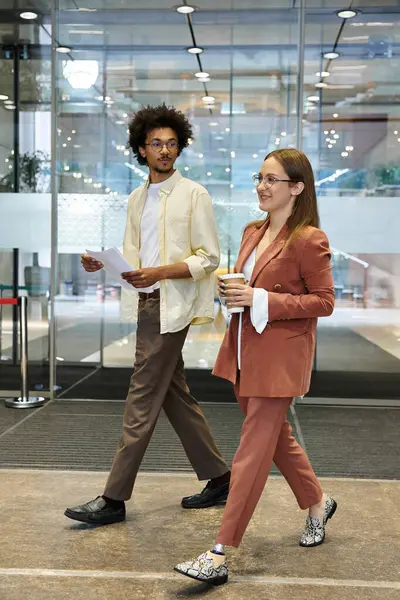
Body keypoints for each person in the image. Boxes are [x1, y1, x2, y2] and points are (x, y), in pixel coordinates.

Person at [174, 148, 336, 586]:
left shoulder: (309, 239)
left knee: (249, 454)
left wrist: (261, 299)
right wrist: (237, 293)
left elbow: (324, 302)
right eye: (259, 178)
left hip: (280, 360)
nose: (262, 186)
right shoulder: (251, 231)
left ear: (297, 188)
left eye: (273, 179)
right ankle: (318, 502)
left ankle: (219, 552)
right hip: (245, 352)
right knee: (275, 439)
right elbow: (248, 286)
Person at [64, 104, 231, 526]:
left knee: (141, 397)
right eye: (156, 144)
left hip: (170, 305)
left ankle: (114, 497)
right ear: (141, 148)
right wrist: (101, 262)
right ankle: (220, 476)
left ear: (180, 147)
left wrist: (159, 272)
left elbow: (209, 258)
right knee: (173, 394)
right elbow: (136, 257)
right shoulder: (138, 198)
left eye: (172, 143)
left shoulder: (194, 194)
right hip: (147, 302)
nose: (165, 150)